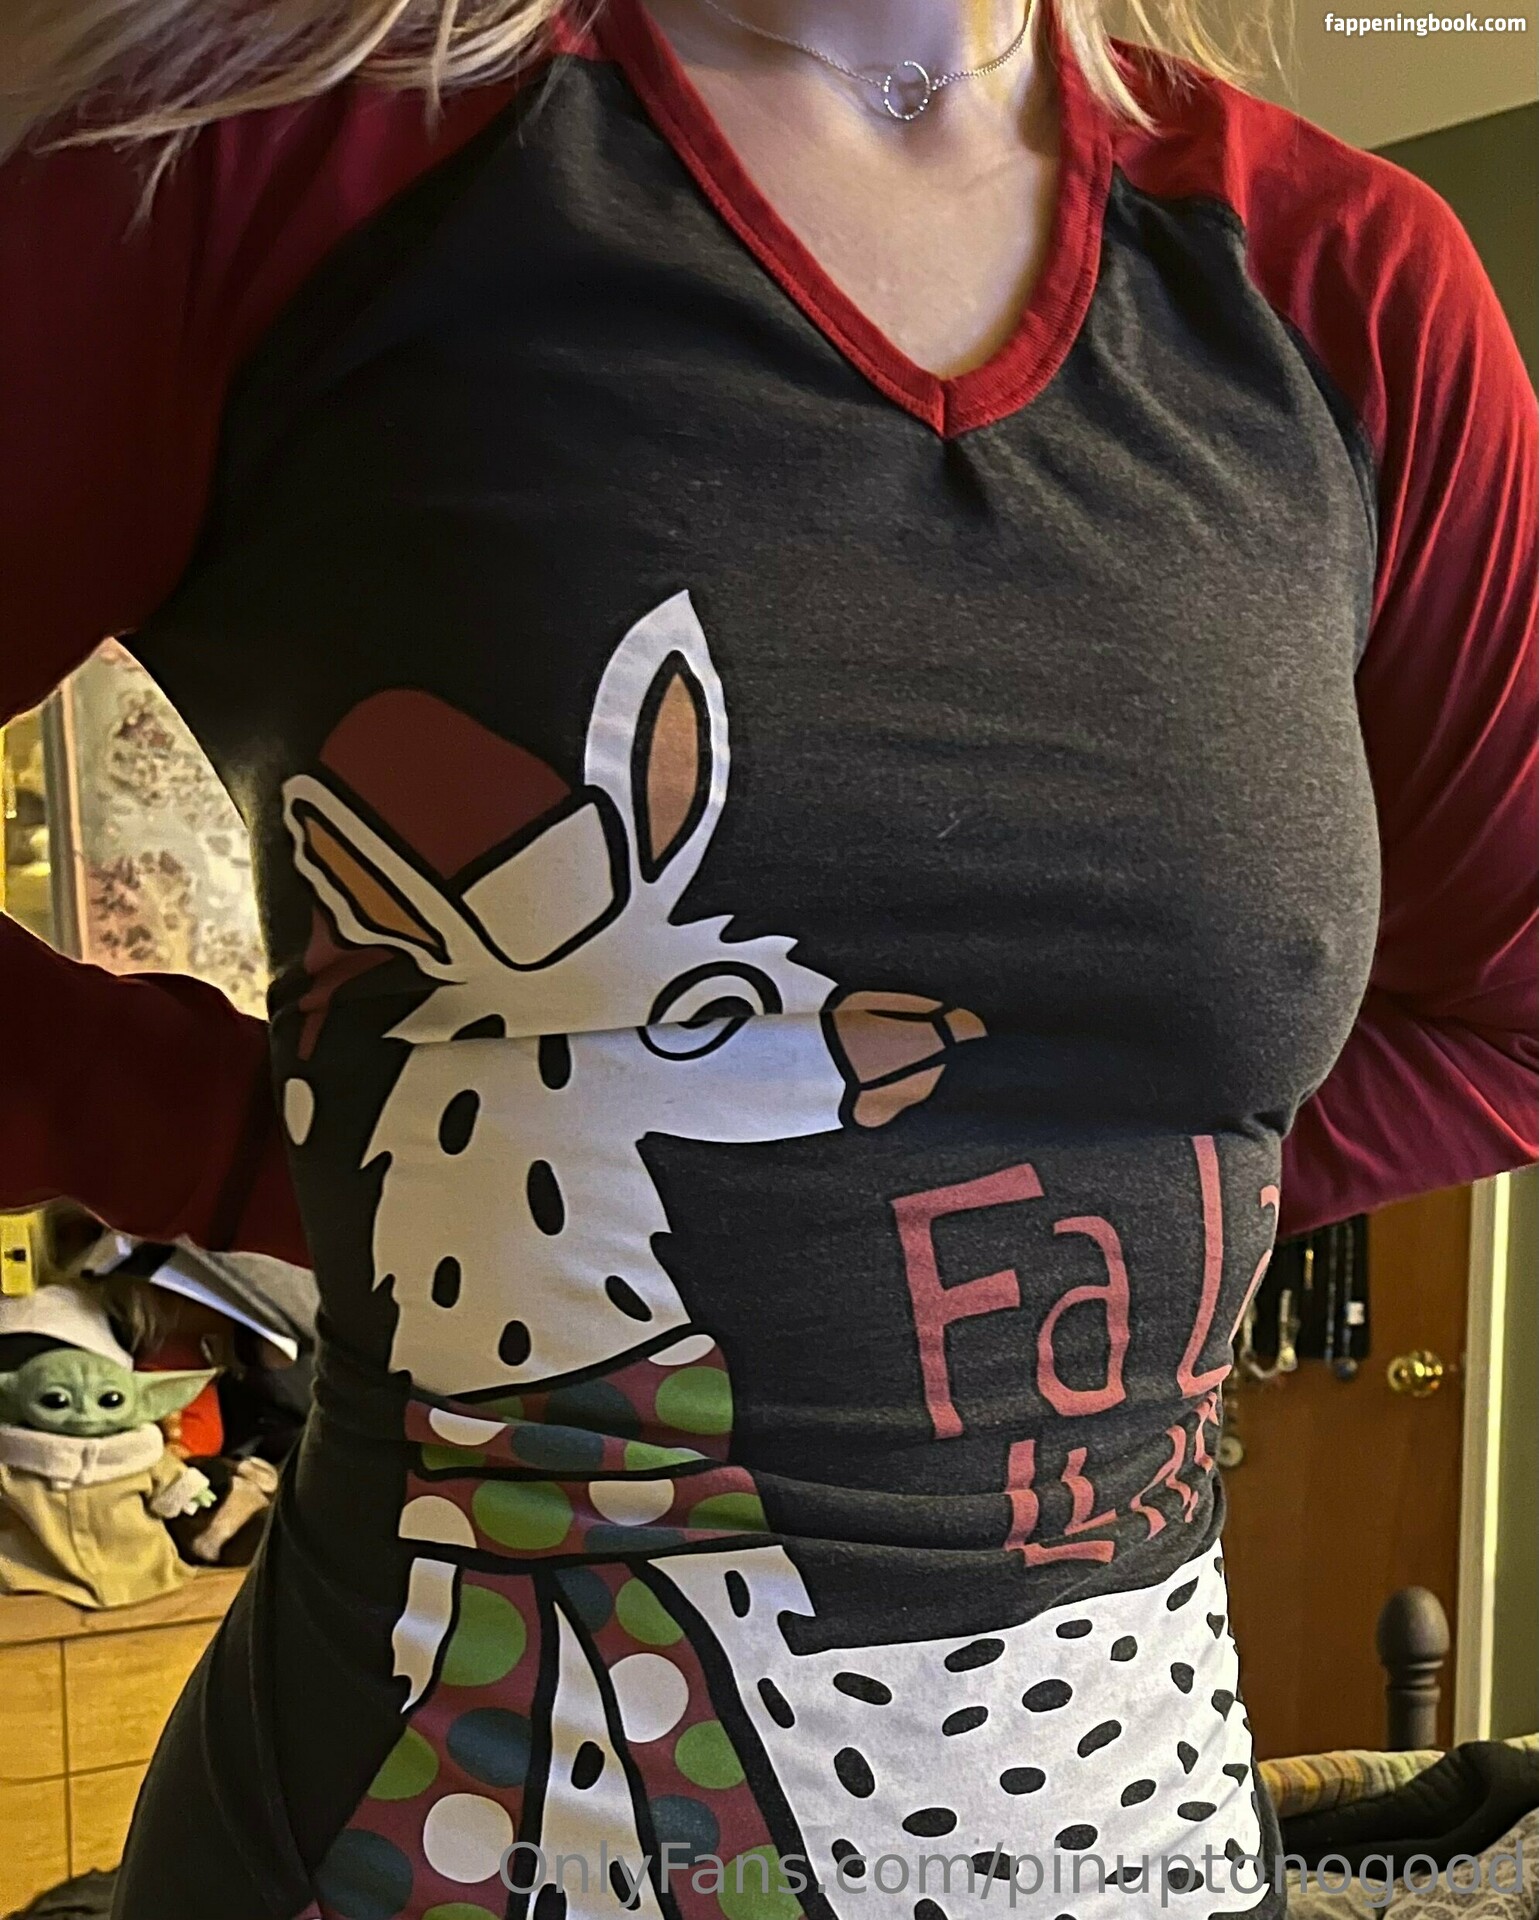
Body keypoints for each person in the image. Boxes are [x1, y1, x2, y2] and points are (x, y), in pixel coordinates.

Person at [1, 0, 1534, 1914]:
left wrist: (1137, 1216)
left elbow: (1513, 1020)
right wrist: (270, 1149)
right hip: (429, 1840)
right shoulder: (277, 151)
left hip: (1142, 1838)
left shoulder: (1348, 286)